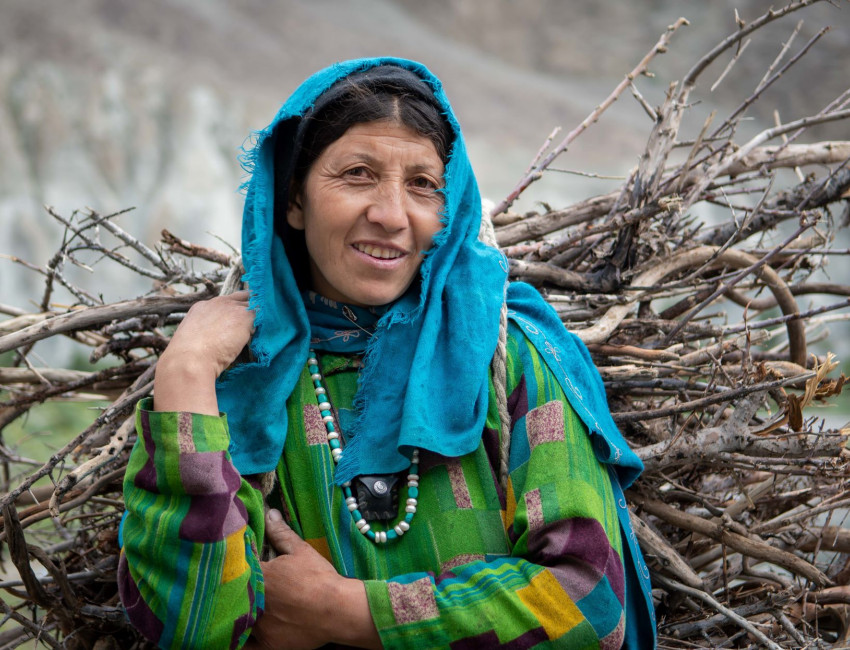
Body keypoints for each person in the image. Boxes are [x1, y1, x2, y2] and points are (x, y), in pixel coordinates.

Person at [118, 58, 656, 649]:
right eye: (356, 174)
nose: (392, 215)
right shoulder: (243, 381)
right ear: (293, 200)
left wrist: (346, 610)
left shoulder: (509, 358)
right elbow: (196, 627)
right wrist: (187, 372)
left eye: (423, 185)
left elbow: (590, 604)